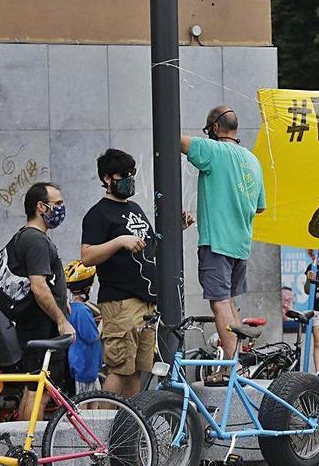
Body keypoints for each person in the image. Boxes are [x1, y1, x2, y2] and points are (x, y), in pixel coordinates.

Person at [81, 149, 195, 397]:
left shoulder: (134, 209)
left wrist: (179, 227)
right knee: (120, 368)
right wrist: (119, 241)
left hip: (146, 303)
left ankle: (129, 428)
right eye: (123, 175)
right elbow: (87, 256)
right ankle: (102, 427)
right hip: (121, 302)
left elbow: (151, 247)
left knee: (136, 369)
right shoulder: (98, 214)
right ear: (107, 178)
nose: (129, 179)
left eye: (132, 174)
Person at [181, 106, 266, 386]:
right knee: (230, 304)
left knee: (219, 304)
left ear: (215, 129)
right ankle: (235, 362)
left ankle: (232, 367)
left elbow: (174, 140)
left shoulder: (214, 151)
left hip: (216, 241)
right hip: (241, 243)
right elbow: (260, 207)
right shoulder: (252, 160)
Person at [13, 182, 75, 420]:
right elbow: (38, 285)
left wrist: (61, 300)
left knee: (34, 388)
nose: (61, 208)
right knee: (39, 390)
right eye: (57, 204)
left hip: (36, 323)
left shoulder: (27, 236)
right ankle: (29, 447)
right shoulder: (36, 240)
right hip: (42, 325)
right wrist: (60, 320)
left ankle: (22, 442)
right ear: (41, 207)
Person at [64, 260, 102, 395]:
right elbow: (93, 336)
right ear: (88, 288)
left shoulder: (71, 308)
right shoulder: (82, 310)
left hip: (78, 363)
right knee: (87, 402)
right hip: (86, 365)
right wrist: (104, 322)